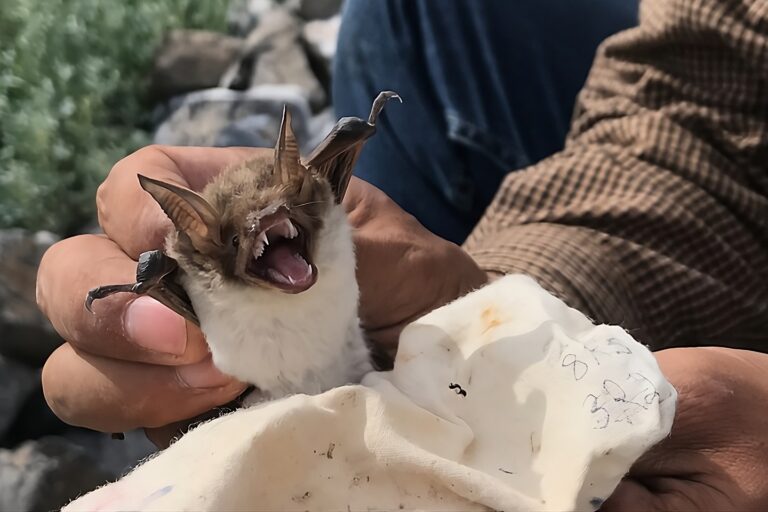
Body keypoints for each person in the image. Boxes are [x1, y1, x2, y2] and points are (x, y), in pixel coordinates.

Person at [35, 0, 768, 509]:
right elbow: (714, 118)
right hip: (295, 348)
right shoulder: (241, 261)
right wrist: (490, 319)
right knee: (421, 13)